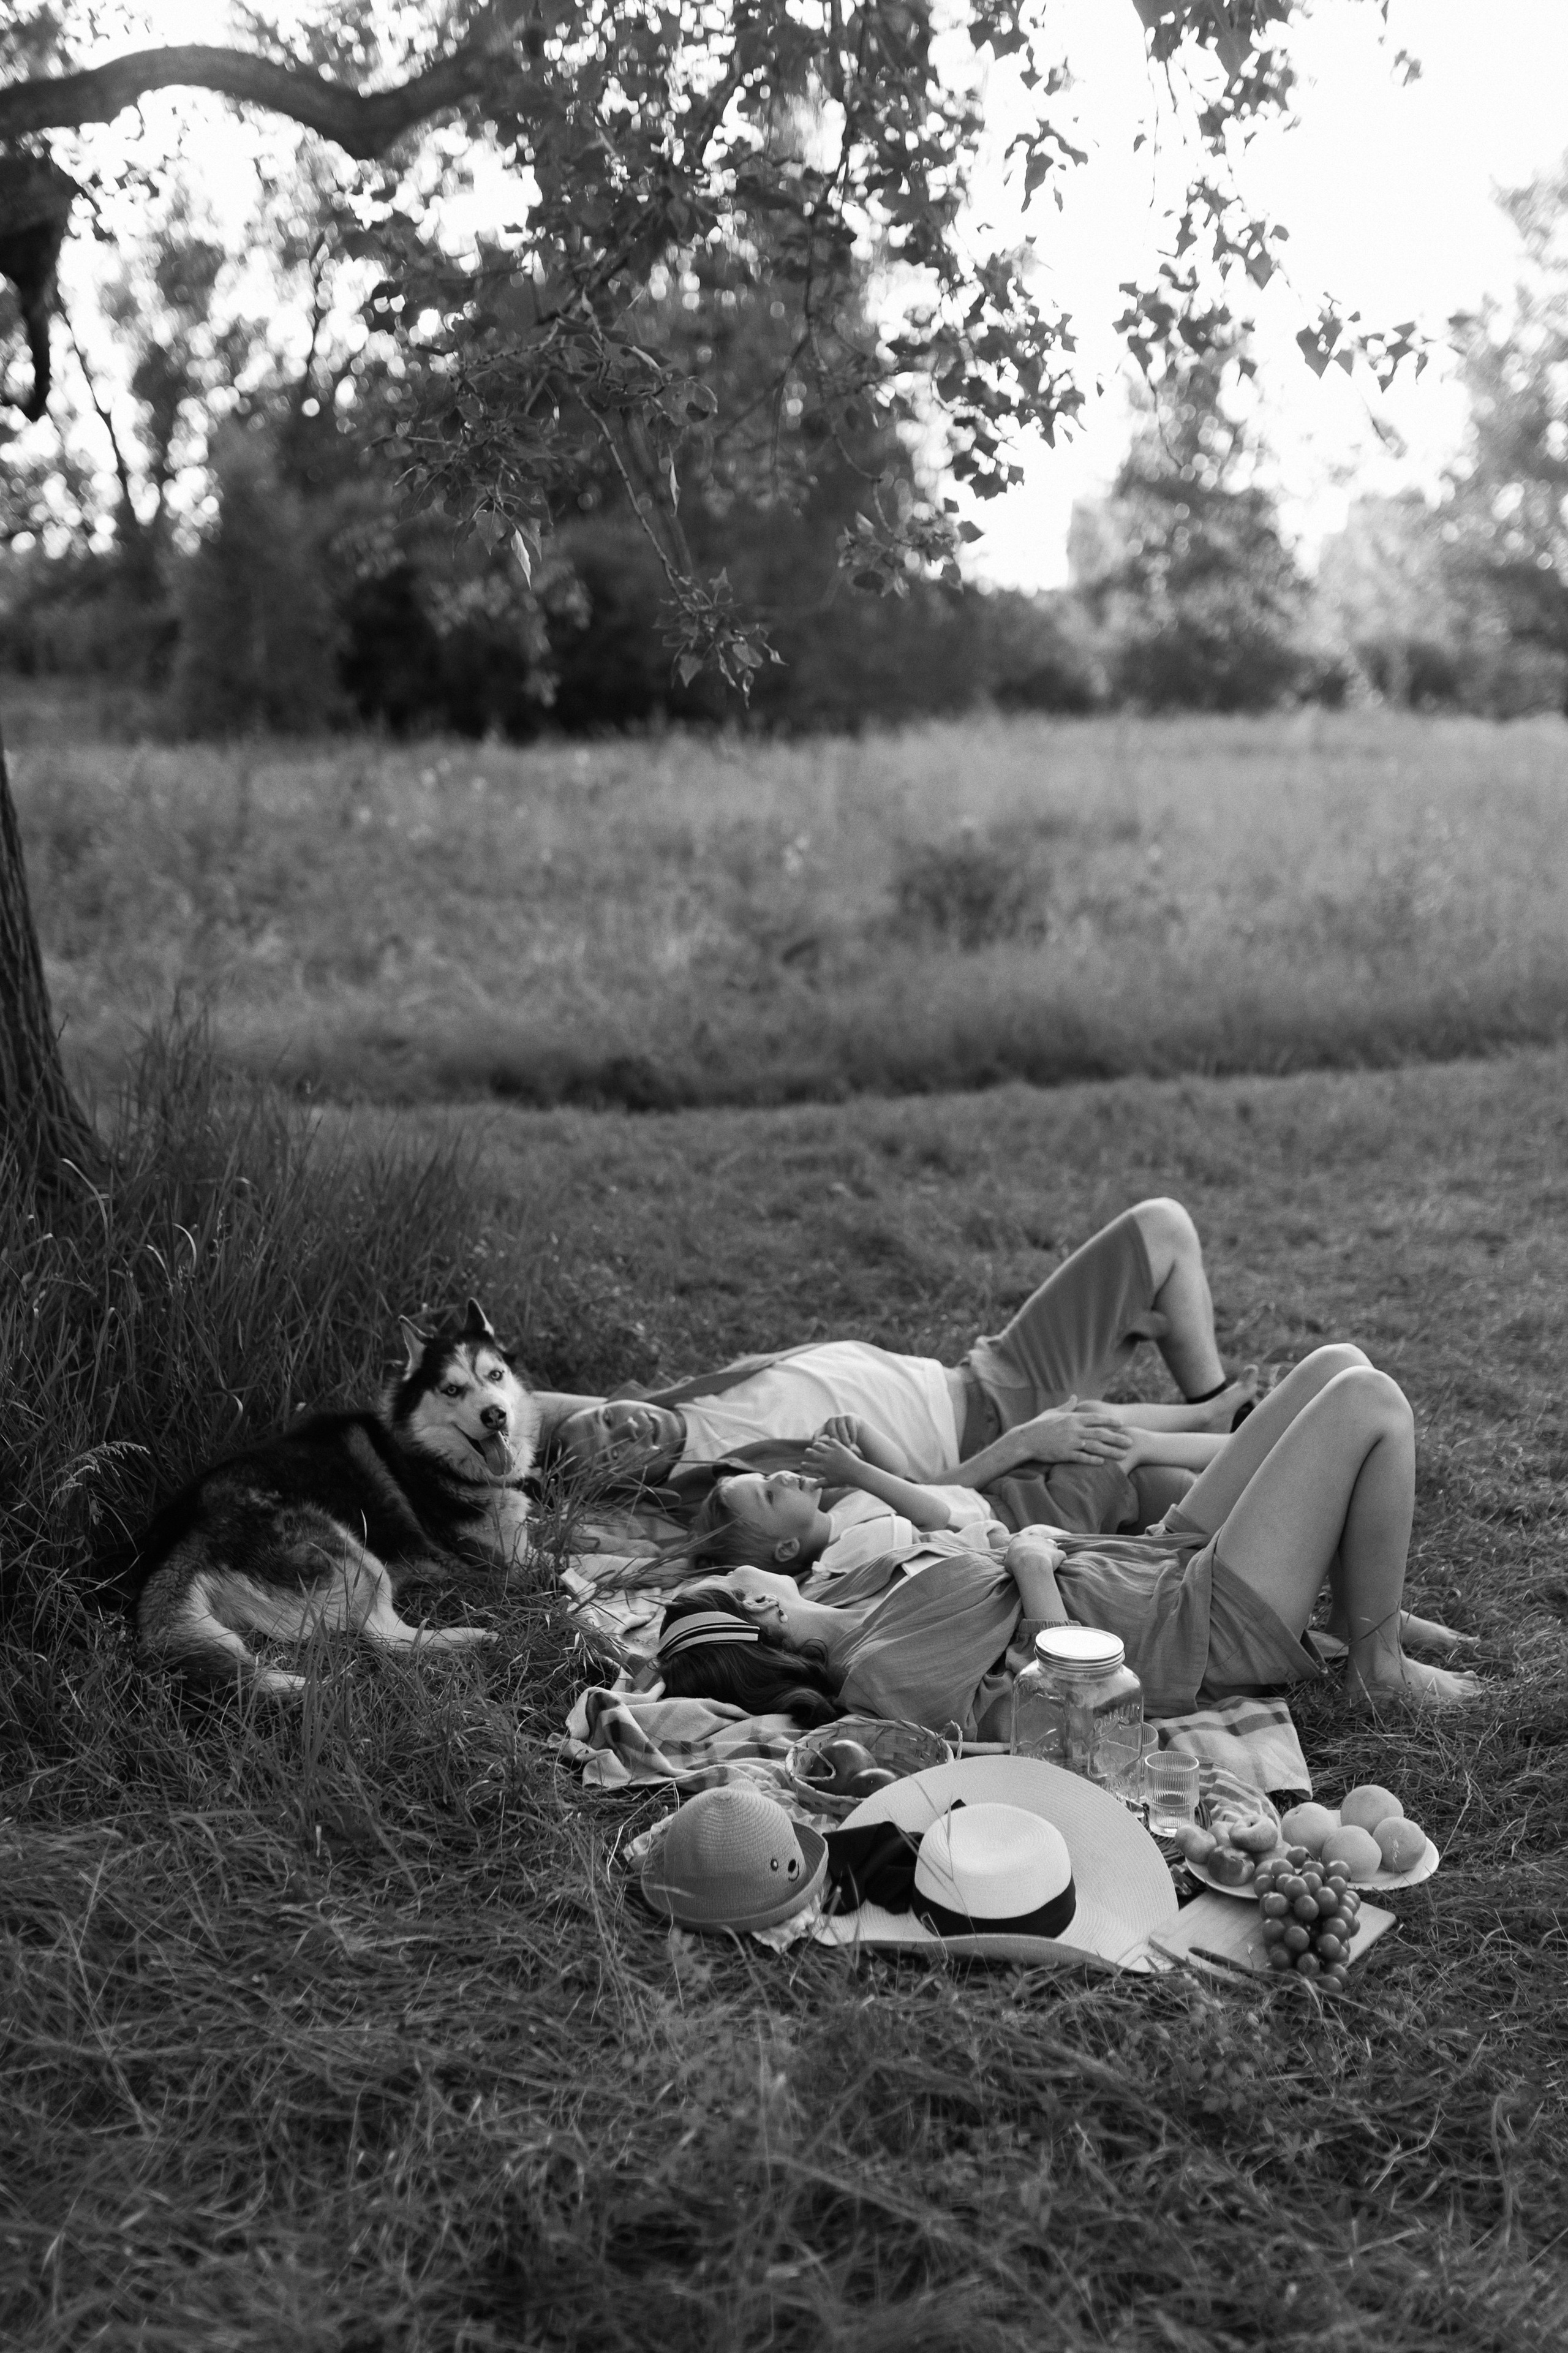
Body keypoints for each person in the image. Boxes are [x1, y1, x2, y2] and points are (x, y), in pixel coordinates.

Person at [649, 1346, 1483, 1737]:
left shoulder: (856, 1586)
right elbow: (1063, 1724)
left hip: (1154, 1558)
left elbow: (955, 1515)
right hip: (1195, 1621)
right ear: (759, 1603)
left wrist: (1017, 1542)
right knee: (1368, 1401)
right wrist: (1033, 1571)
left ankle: (1369, 1616)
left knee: (1336, 1362)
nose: (741, 1574)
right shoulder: (880, 1675)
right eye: (726, 1586)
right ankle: (1377, 1671)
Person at [541, 1198, 1254, 1532]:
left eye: (605, 1416)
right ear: (629, 1485)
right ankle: (1231, 1417)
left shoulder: (687, 1401)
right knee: (1187, 1486)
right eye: (613, 1450)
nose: (622, 1425)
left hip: (989, 1371)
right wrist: (1025, 1442)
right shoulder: (738, 1482)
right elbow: (909, 1505)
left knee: (1161, 1226)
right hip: (1001, 1433)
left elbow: (526, 1407)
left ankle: (1214, 1404)